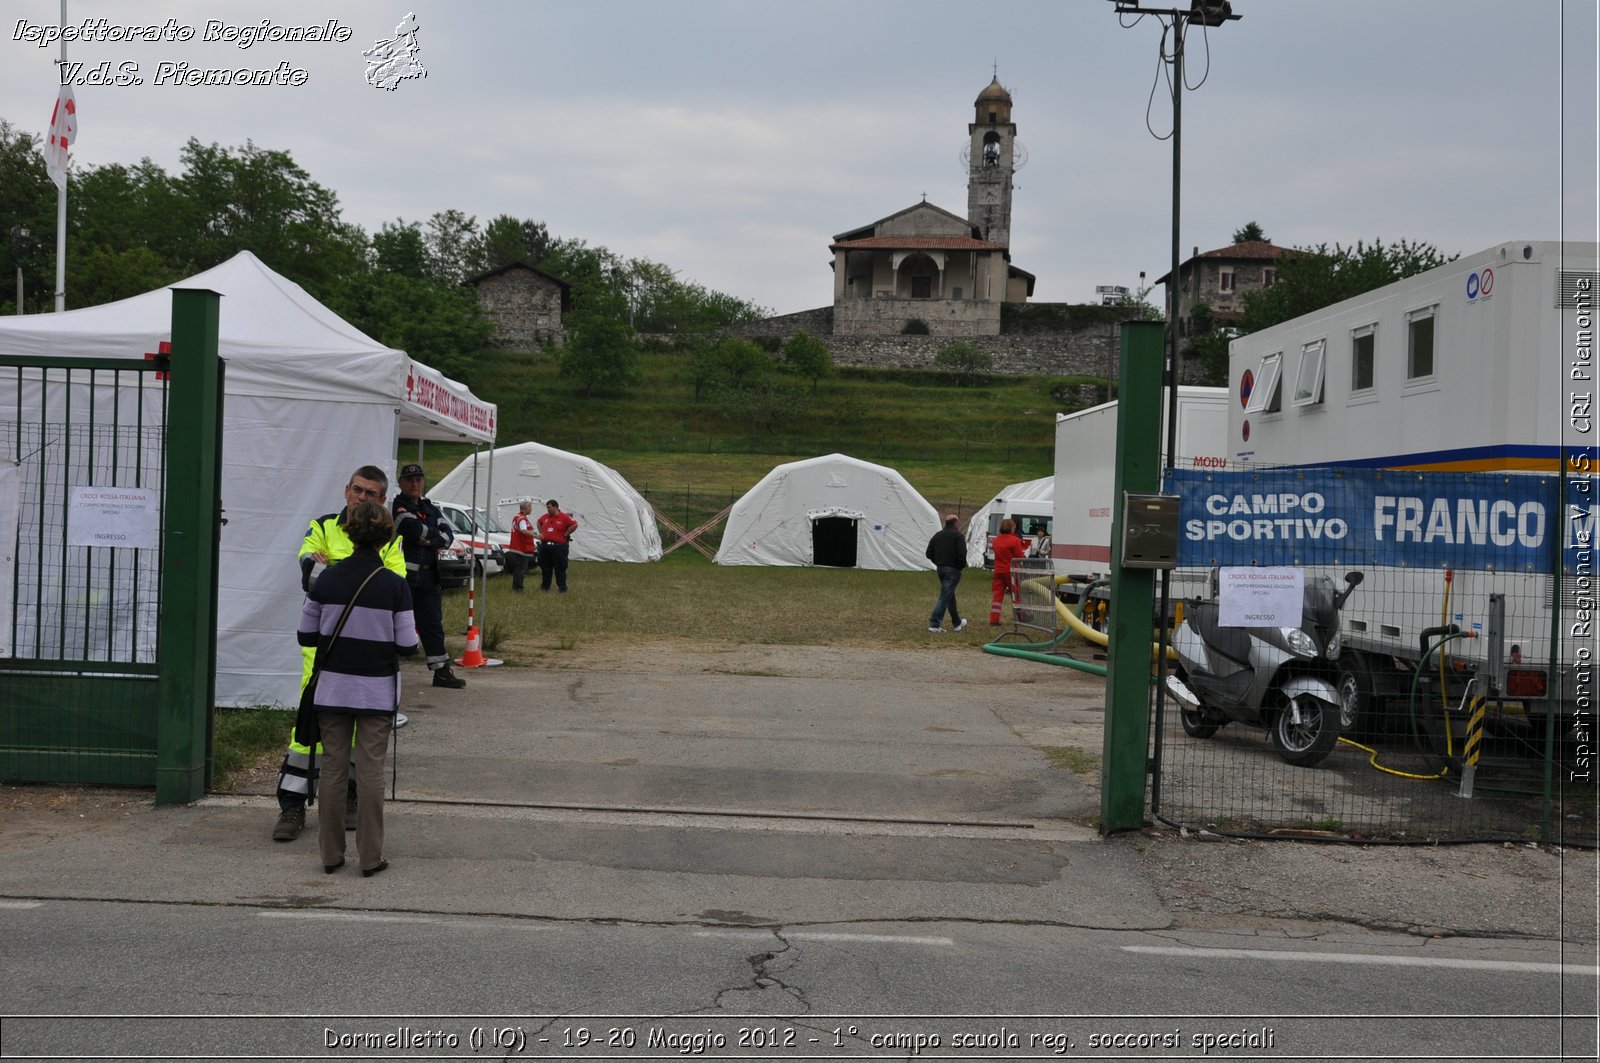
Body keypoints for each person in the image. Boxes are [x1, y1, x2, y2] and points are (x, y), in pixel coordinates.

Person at [273, 464, 408, 843]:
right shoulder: (323, 526)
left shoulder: (391, 538)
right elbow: (306, 571)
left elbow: (394, 584)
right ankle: (292, 805)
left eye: (371, 493)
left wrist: (334, 573)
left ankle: (348, 800)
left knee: (353, 741)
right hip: (324, 657)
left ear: (383, 500)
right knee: (306, 734)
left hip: (365, 656)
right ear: (346, 489)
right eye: (357, 490)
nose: (361, 498)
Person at [298, 501, 419, 878]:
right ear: (387, 536)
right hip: (376, 693)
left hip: (332, 690)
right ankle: (370, 858)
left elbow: (305, 634)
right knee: (370, 772)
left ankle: (330, 856)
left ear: (348, 533)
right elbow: (407, 645)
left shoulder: (325, 580)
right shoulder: (395, 586)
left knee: (332, 769)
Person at [392, 462, 467, 689]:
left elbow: (448, 535)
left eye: (419, 479)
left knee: (433, 625)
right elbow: (414, 530)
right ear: (401, 483)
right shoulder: (398, 507)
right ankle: (386, 671)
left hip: (429, 578)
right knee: (395, 624)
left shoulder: (429, 507)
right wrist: (433, 536)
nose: (415, 483)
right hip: (404, 579)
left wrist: (430, 538)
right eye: (410, 479)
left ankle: (442, 672)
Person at [925, 513, 969, 633]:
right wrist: (960, 566)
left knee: (949, 595)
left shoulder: (937, 535)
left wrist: (938, 562)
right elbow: (962, 554)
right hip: (953, 570)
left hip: (941, 569)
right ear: (956, 523)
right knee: (945, 596)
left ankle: (957, 623)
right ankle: (934, 623)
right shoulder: (958, 536)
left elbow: (928, 553)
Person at [535, 499, 579, 593]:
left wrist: (566, 533)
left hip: (559, 547)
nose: (548, 509)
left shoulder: (564, 517)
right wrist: (541, 533)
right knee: (546, 568)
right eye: (547, 507)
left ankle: (562, 588)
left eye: (549, 507)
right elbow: (539, 522)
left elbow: (574, 524)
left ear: (555, 507)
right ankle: (545, 588)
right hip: (545, 546)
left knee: (560, 568)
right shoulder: (545, 517)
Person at [989, 517, 1027, 626]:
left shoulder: (996, 540)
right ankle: (1021, 617)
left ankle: (994, 619)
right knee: (1017, 595)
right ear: (1011, 528)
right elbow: (1019, 556)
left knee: (997, 595)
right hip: (1011, 571)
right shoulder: (1015, 541)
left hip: (998, 570)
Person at [506, 499, 537, 592]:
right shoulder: (522, 519)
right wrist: (536, 536)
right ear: (525, 508)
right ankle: (518, 588)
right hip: (522, 548)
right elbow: (524, 530)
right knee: (521, 569)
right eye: (530, 507)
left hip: (517, 547)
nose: (531, 509)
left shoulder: (517, 517)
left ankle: (516, 587)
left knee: (518, 569)